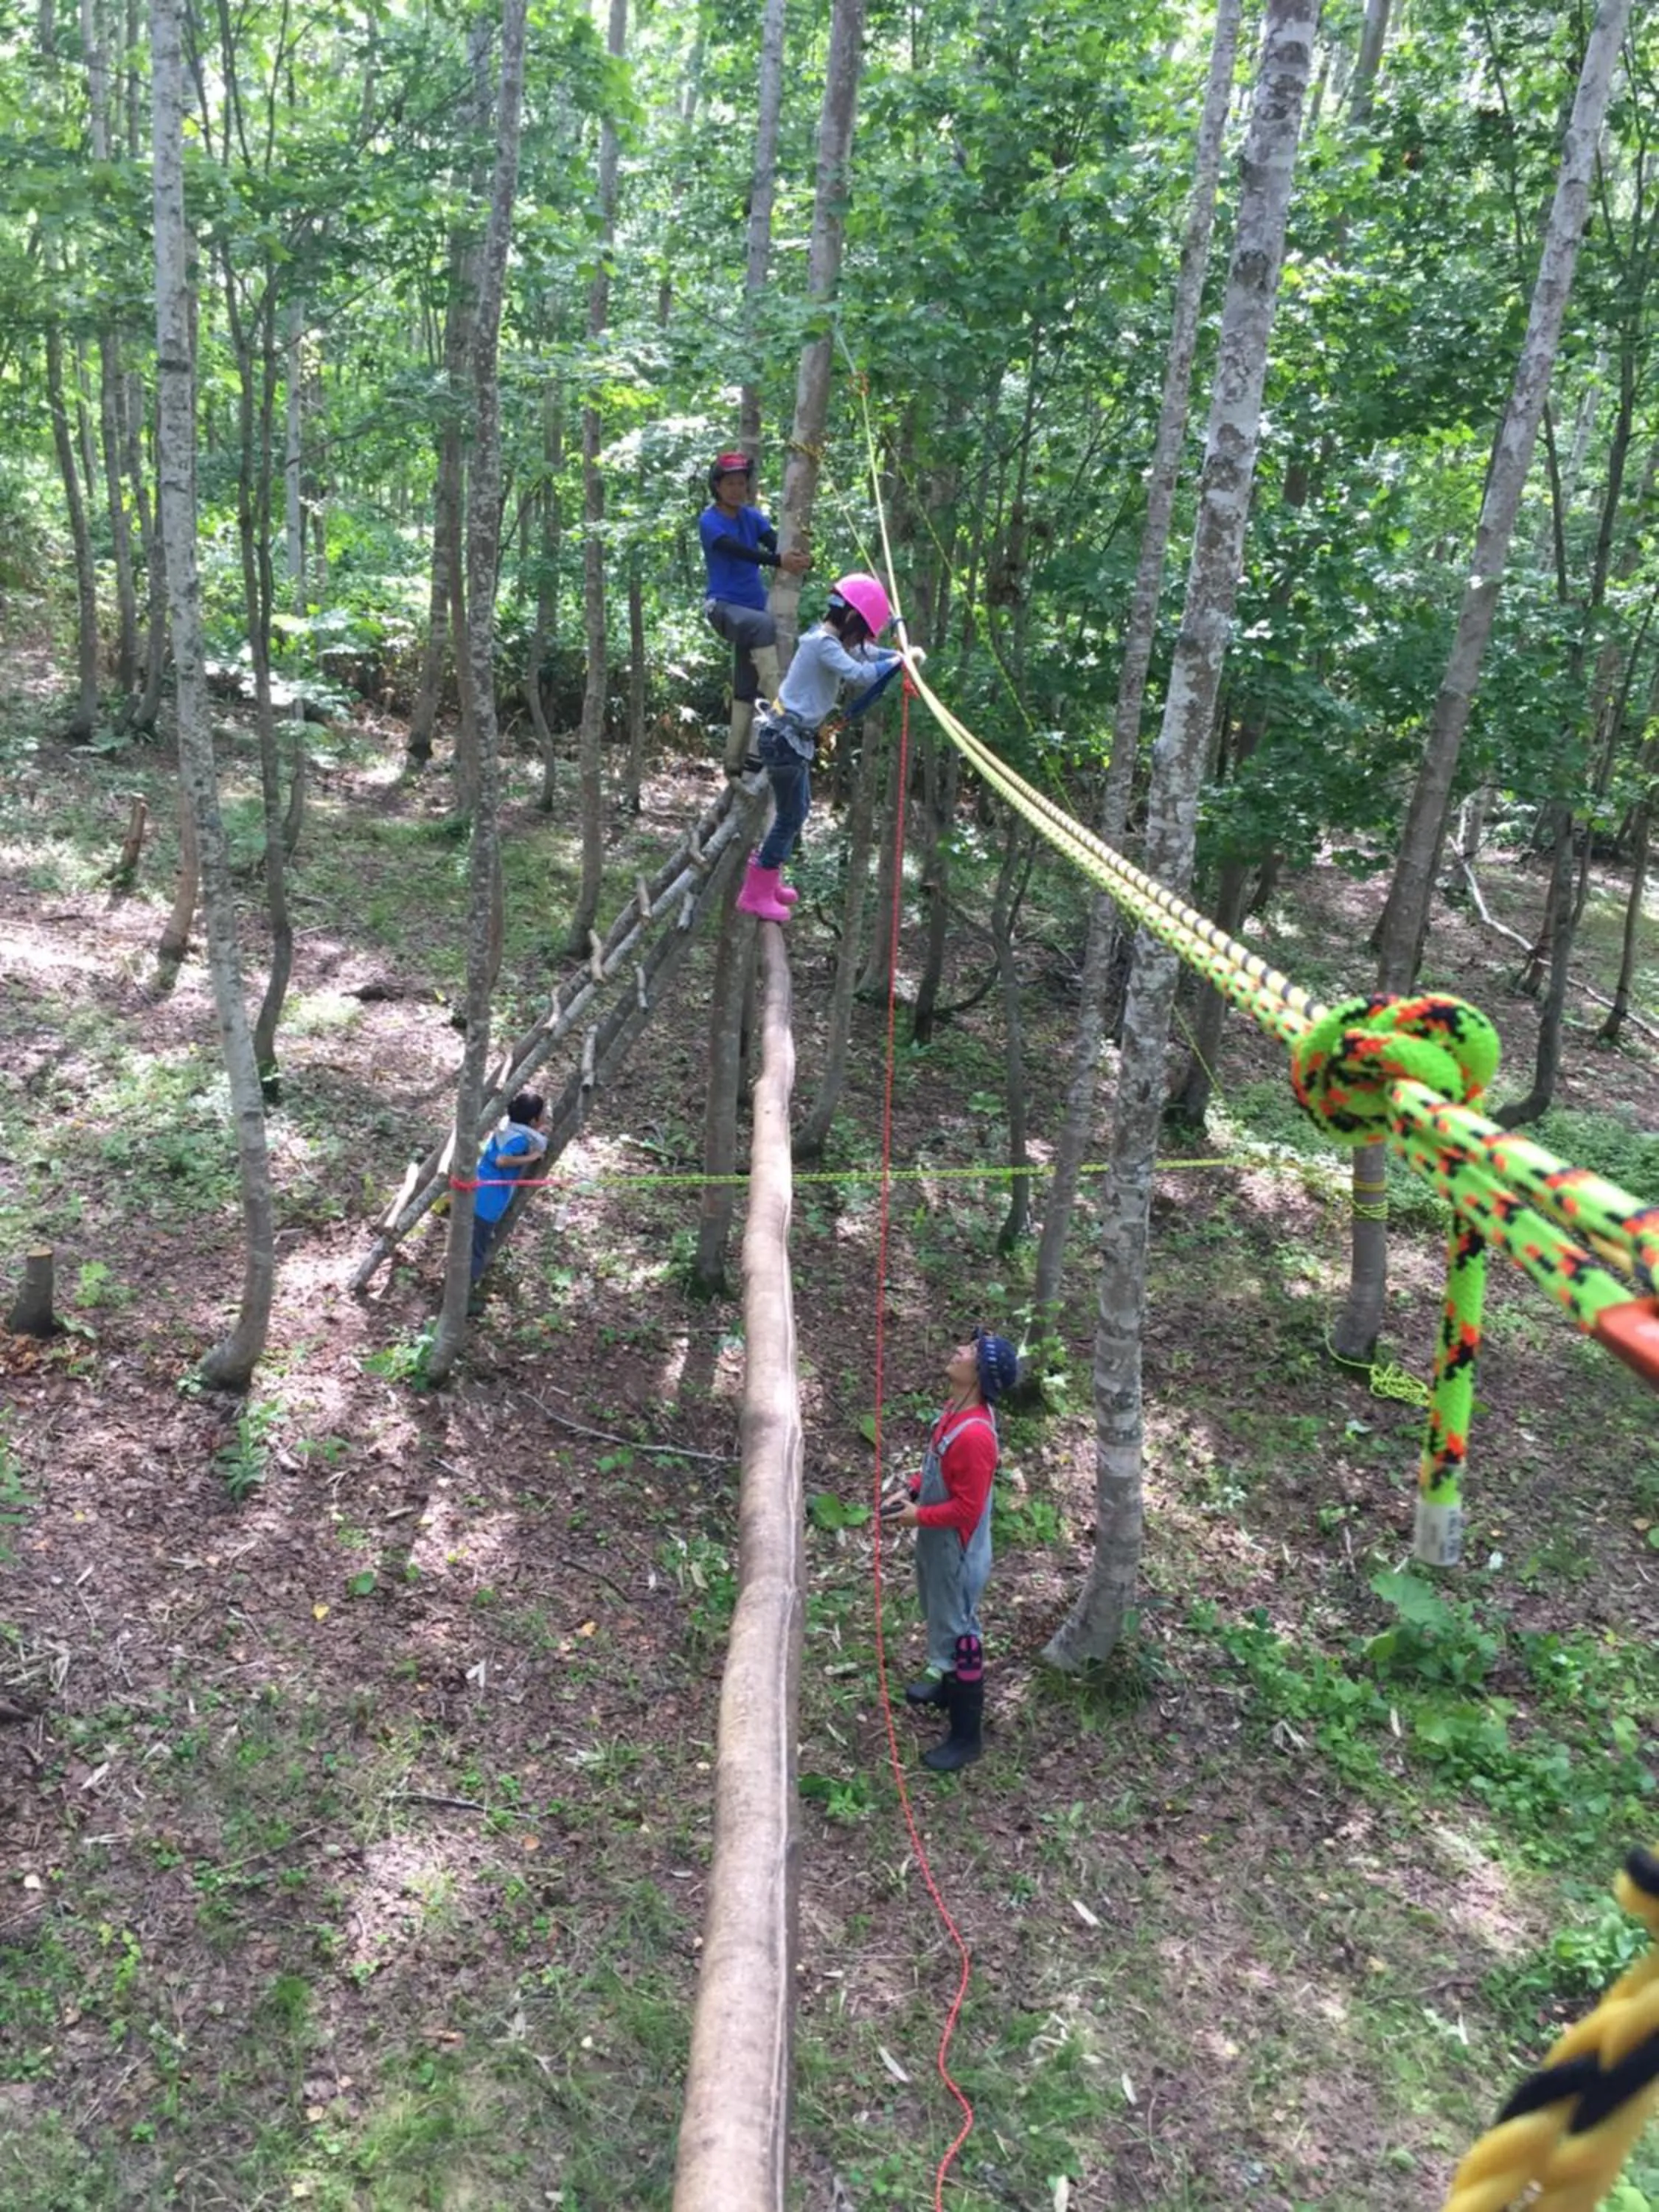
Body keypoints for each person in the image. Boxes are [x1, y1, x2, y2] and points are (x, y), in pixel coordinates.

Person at [881, 1326, 1020, 1773]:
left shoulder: (978, 1436)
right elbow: (939, 1466)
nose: (959, 1350)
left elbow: (966, 1508)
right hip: (937, 1543)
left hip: (956, 1552)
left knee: (963, 1633)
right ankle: (944, 1684)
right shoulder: (954, 1408)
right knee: (942, 1617)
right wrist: (913, 1490)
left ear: (978, 1374)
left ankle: (966, 1736)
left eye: (971, 1351)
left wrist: (917, 1517)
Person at [734, 572, 908, 925]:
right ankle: (756, 892)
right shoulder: (822, 645)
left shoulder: (829, 640)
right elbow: (860, 673)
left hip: (790, 740)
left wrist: (899, 654)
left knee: (797, 810)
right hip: (785, 741)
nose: (860, 641)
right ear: (850, 620)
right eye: (860, 632)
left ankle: (769, 879)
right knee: (791, 815)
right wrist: (896, 663)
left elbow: (868, 652)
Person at [699, 452, 811, 776]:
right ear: (717, 486)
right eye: (729, 483)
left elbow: (774, 543)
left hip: (751, 607)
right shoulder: (710, 521)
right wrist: (779, 562)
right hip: (723, 607)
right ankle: (784, 711)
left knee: (746, 682)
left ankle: (737, 759)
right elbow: (738, 551)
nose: (736, 489)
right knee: (763, 625)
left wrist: (800, 558)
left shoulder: (752, 517)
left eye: (741, 483)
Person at [470, 1092, 549, 1289]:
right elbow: (502, 1160)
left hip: (477, 1189)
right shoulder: (520, 1140)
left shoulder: (507, 1128)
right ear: (533, 1120)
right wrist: (532, 1158)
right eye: (543, 1113)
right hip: (488, 1200)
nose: (546, 1116)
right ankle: (465, 1292)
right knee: (476, 1251)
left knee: (469, 1243)